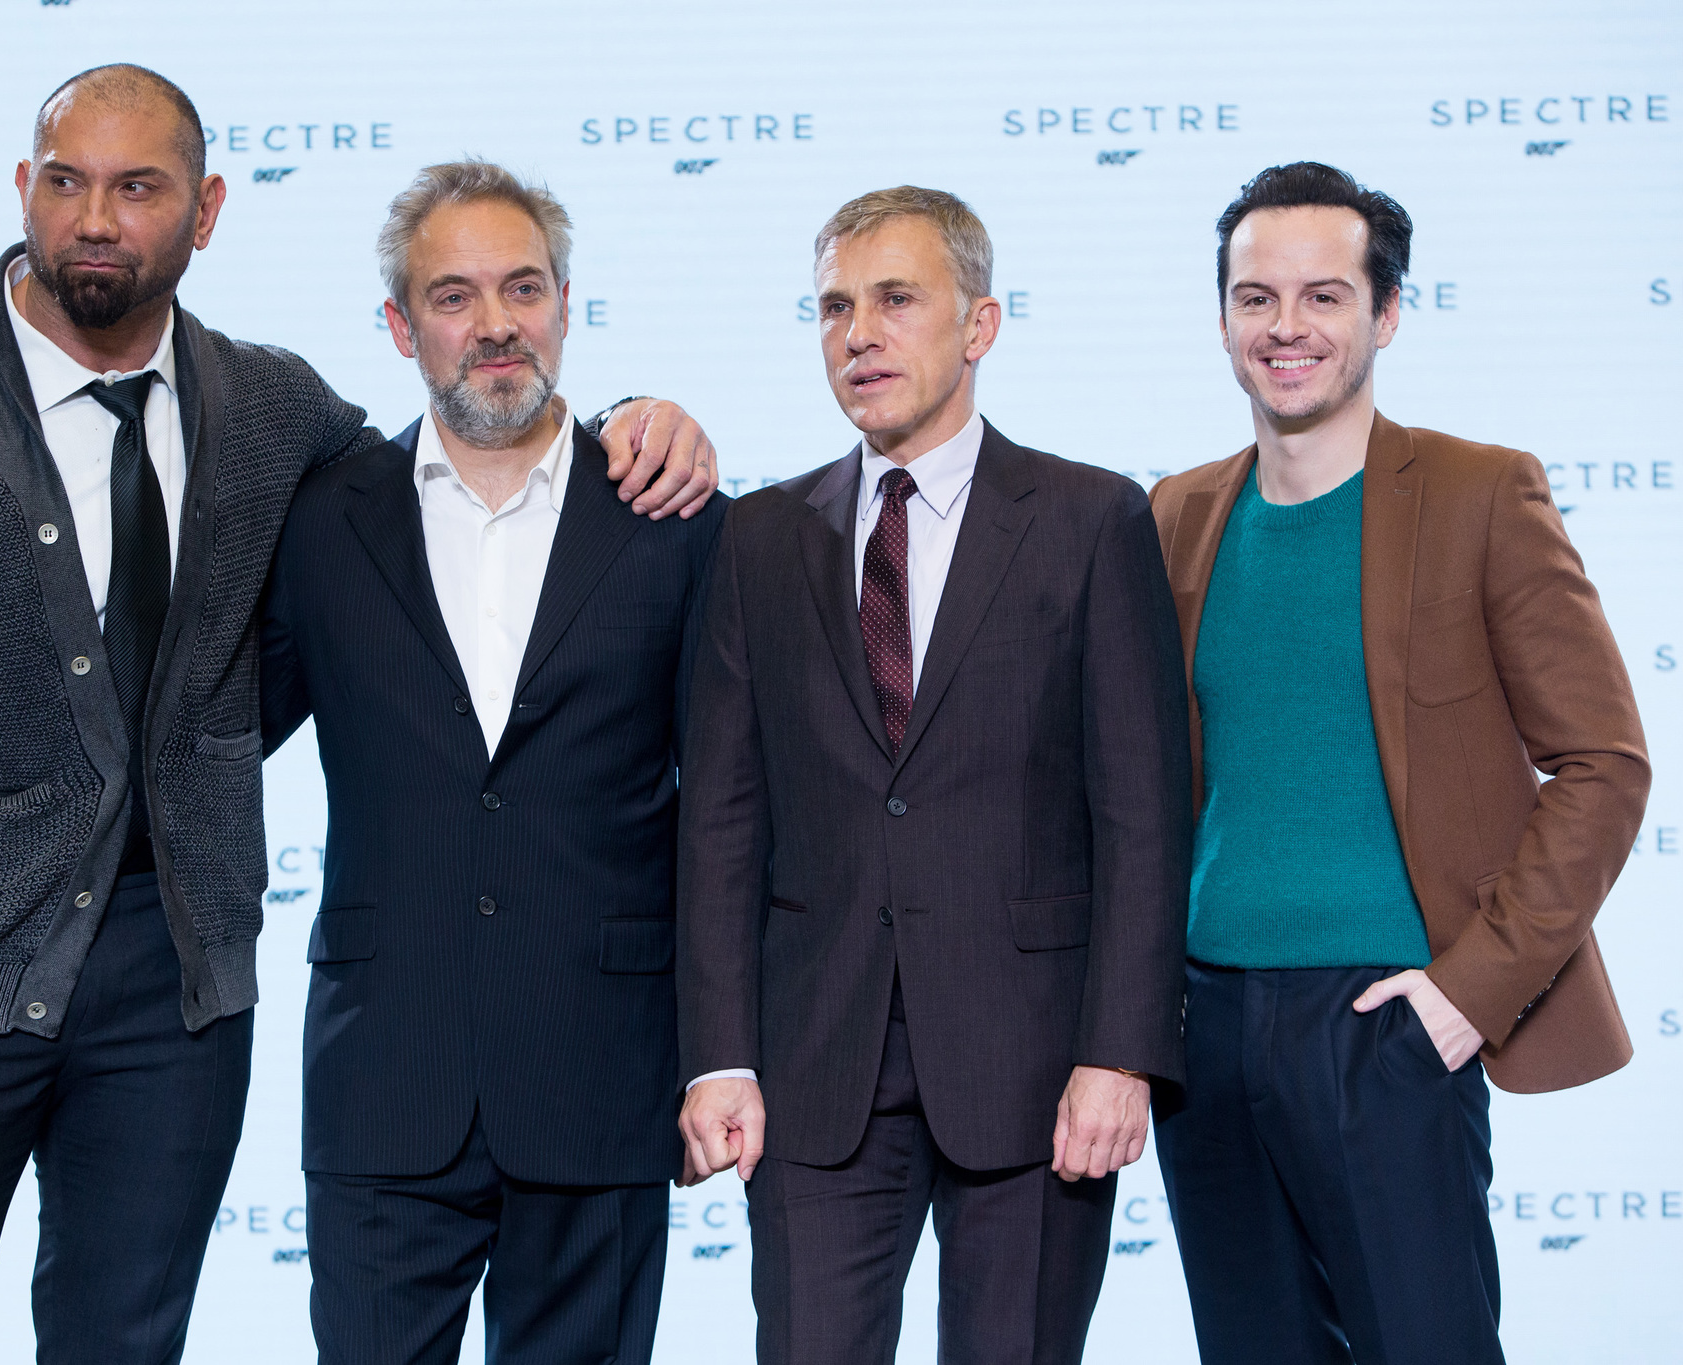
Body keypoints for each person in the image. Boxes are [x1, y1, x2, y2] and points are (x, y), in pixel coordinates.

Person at [0, 68, 716, 1365]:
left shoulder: (273, 415)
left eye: (139, 186)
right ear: (23, 191)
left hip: (176, 995)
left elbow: (470, 450)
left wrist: (626, 420)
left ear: (207, 211)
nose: (98, 217)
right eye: (67, 180)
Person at [674, 186, 1191, 1365]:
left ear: (980, 325)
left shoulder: (1088, 518)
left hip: (1036, 1072)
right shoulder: (759, 538)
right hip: (813, 1070)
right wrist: (717, 1053)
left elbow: (1141, 812)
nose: (858, 333)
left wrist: (1119, 1053)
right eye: (833, 308)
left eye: (894, 300)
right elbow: (719, 822)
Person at [1148, 161, 1650, 1365]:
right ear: (1221, 318)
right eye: (1254, 298)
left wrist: (1463, 995)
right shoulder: (1172, 512)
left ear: (1383, 314)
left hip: (1384, 1022)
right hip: (1204, 1028)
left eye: (1323, 296)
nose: (1286, 328)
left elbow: (1602, 763)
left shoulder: (1480, 492)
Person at [258, 160, 725, 1365]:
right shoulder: (318, 521)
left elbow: (730, 813)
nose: (496, 323)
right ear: (401, 326)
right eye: (454, 296)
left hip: (600, 1078)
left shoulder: (674, 514)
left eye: (523, 288)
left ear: (566, 304)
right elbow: (212, 732)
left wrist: (718, 1050)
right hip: (382, 1078)